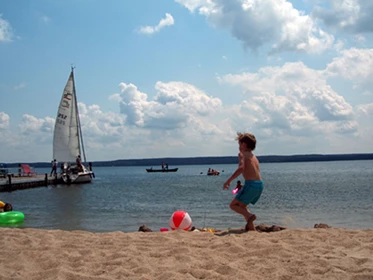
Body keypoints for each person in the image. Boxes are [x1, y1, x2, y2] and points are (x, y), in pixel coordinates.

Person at [223, 132, 264, 231]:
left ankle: (250, 216)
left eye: (239, 144)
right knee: (242, 206)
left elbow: (241, 168)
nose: (238, 147)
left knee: (233, 205)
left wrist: (228, 181)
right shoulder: (253, 156)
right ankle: (251, 228)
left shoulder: (242, 154)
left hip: (251, 184)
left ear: (243, 144)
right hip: (260, 184)